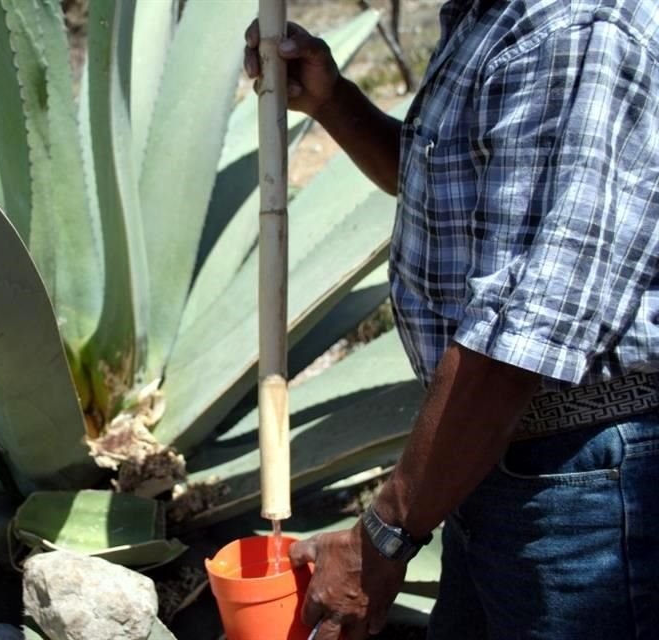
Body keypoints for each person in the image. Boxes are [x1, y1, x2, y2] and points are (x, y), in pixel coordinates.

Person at [244, 1, 659, 638]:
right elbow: (451, 186)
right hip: (482, 451)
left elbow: (524, 332)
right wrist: (333, 101)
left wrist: (382, 534)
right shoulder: (488, 14)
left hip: (580, 479)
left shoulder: (575, 29)